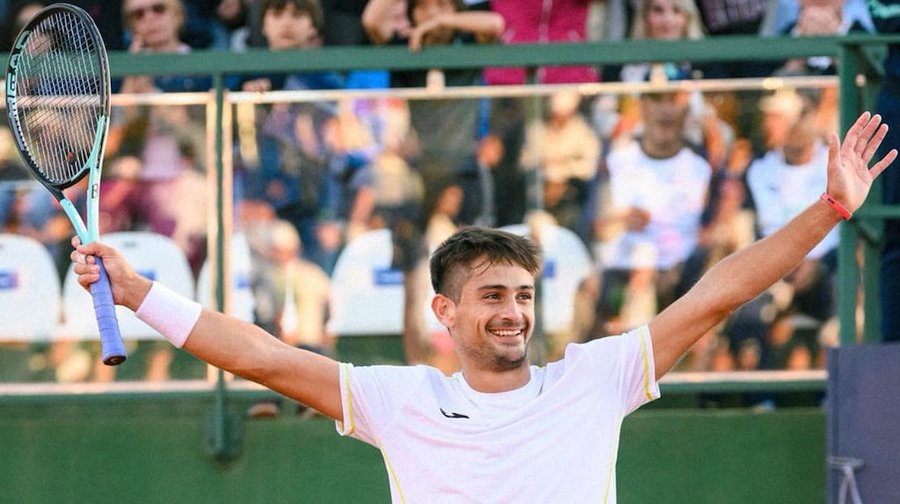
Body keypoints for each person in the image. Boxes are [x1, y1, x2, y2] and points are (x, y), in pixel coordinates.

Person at [70, 112, 894, 502]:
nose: (513, 312)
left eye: (524, 296)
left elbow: (720, 293)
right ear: (445, 312)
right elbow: (262, 357)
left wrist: (827, 211)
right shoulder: (401, 400)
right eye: (492, 296)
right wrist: (139, 293)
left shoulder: (595, 378)